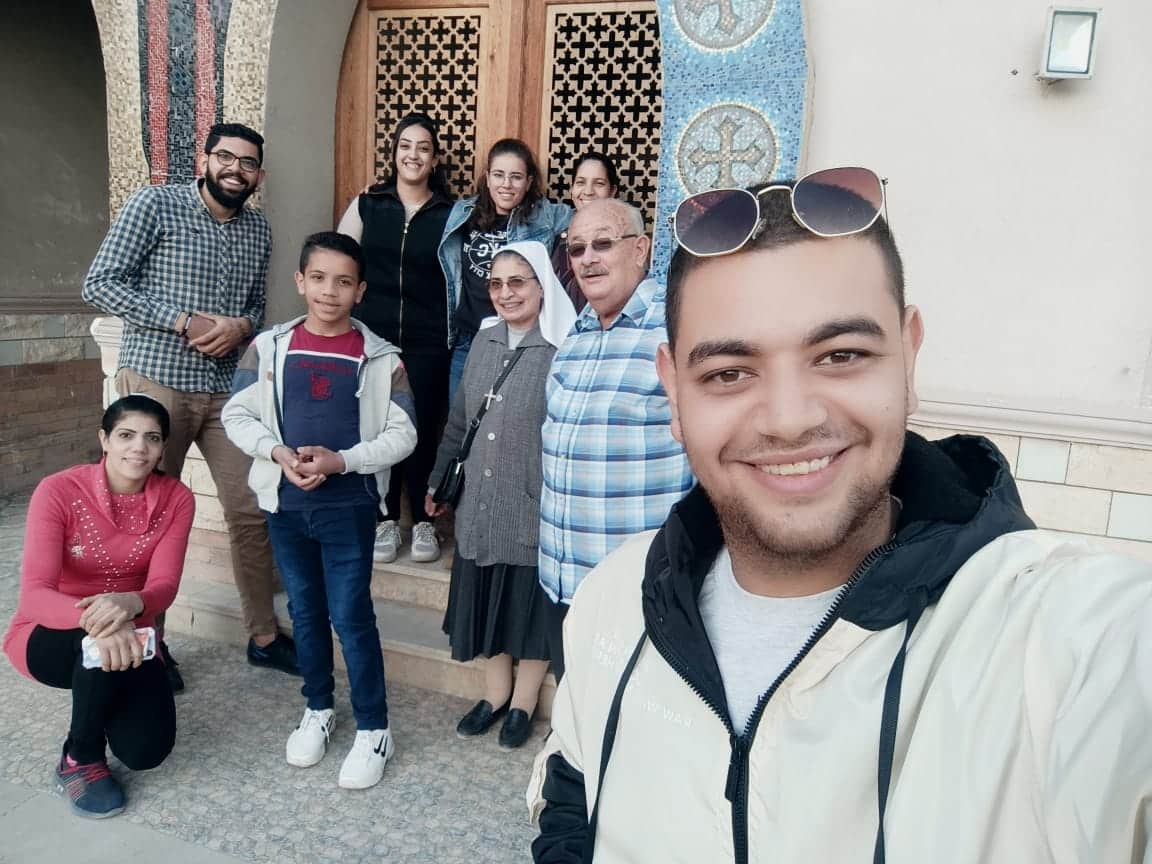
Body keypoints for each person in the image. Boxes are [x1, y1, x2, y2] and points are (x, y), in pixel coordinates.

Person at [529, 173, 1152, 862]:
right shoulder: (614, 601)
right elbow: (573, 797)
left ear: (908, 358)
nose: (789, 419)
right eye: (729, 372)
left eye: (841, 356)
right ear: (673, 391)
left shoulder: (1061, 642)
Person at [82, 122, 298, 688]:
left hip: (227, 390)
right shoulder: (155, 204)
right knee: (147, 513)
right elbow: (100, 283)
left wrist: (242, 326)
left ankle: (264, 637)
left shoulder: (257, 229)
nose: (235, 169)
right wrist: (182, 320)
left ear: (258, 176)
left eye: (247, 163)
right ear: (205, 158)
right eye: (226, 157)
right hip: (159, 383)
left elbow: (255, 306)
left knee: (251, 508)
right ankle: (149, 643)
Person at [222, 232, 417, 790]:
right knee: (304, 611)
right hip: (286, 504)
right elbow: (237, 415)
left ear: (360, 291)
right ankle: (318, 707)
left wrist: (343, 461)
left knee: (350, 615)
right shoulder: (267, 348)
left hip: (348, 506)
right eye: (319, 278)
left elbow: (404, 433)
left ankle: (374, 727)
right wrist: (277, 453)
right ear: (300, 281)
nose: (330, 291)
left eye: (344, 282)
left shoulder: (381, 359)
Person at [3, 395, 195, 819]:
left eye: (152, 438)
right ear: (104, 440)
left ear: (163, 448)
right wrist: (103, 623)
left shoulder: (177, 498)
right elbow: (35, 594)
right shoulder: (58, 490)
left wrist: (131, 603)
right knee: (95, 647)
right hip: (49, 631)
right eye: (126, 435)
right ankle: (80, 756)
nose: (139, 448)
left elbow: (164, 587)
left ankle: (104, 691)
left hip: (134, 630)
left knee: (146, 752)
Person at [426, 241, 576, 750]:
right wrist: (439, 479)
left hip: (532, 505)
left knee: (526, 609)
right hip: (479, 503)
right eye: (496, 283)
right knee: (486, 595)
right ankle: (494, 695)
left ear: (541, 287)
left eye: (517, 282)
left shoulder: (561, 348)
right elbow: (460, 420)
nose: (506, 293)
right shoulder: (483, 343)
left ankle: (523, 702)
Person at [538, 198, 693, 680]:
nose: (587, 258)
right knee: (576, 708)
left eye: (602, 244)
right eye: (576, 248)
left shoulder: (677, 330)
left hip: (639, 589)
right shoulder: (576, 335)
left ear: (640, 249)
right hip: (563, 583)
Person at [337, 112, 454, 567]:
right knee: (378, 424)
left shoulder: (450, 213)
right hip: (373, 339)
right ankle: (384, 518)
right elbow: (342, 260)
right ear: (395, 152)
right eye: (406, 145)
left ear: (434, 158)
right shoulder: (369, 204)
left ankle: (422, 521)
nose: (413, 155)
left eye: (423, 148)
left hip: (429, 340)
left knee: (421, 429)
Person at [438, 138, 571, 401]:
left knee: (509, 414)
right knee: (462, 415)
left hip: (519, 338)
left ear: (529, 182)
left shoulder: (545, 215)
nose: (506, 184)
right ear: (487, 178)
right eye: (498, 175)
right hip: (468, 338)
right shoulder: (463, 213)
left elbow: (587, 218)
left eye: (516, 177)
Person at [551, 152, 620, 310]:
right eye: (580, 182)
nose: (588, 191)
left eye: (599, 183)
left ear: (612, 191)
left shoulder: (622, 240)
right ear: (572, 189)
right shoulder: (560, 238)